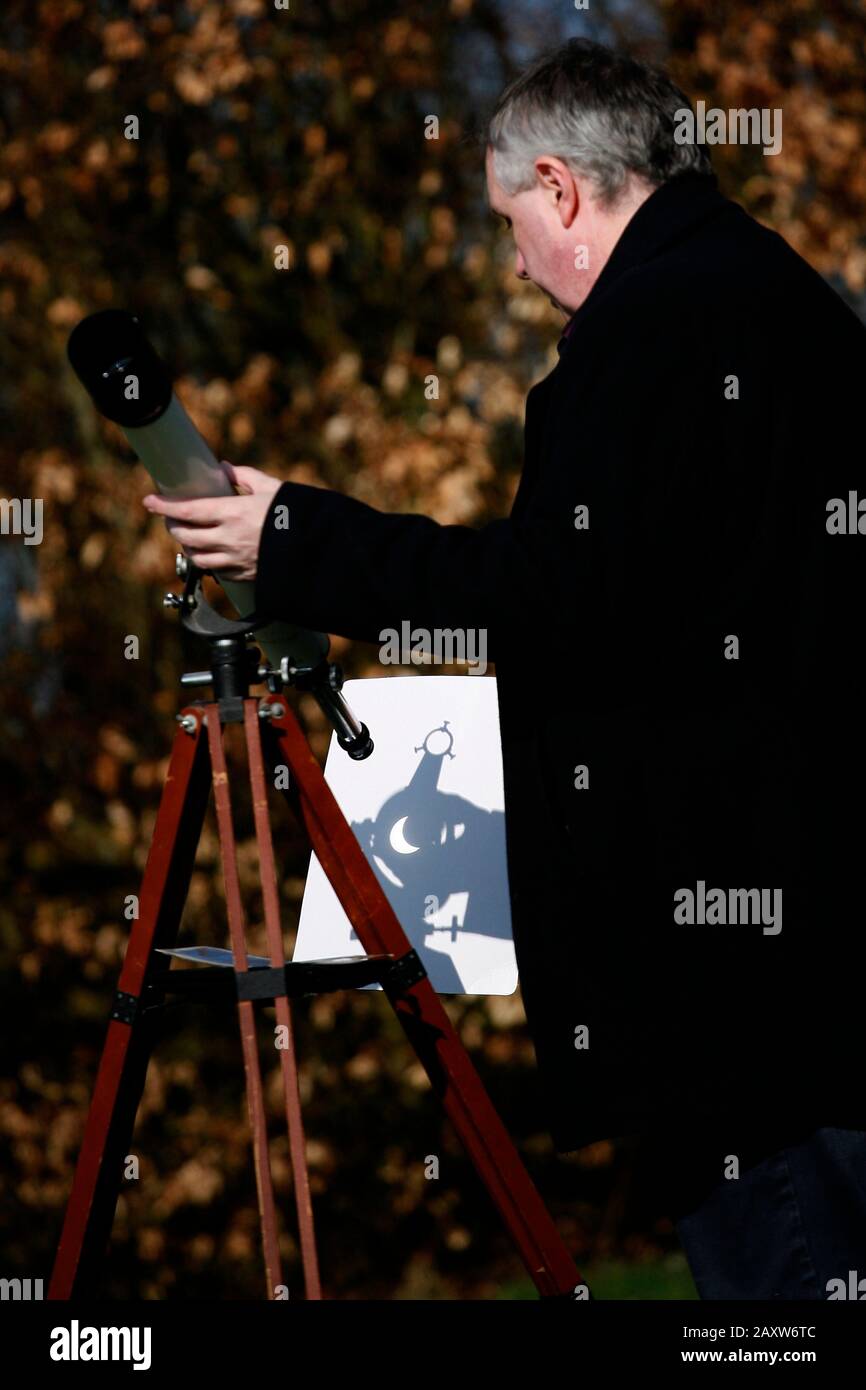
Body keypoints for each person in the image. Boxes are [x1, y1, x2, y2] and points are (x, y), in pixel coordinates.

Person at [143, 37, 866, 1299]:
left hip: (737, 999)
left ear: (563, 186)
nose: (516, 261)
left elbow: (553, 598)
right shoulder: (779, 298)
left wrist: (298, 539)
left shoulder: (650, 327)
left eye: (511, 222)